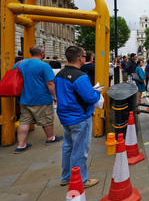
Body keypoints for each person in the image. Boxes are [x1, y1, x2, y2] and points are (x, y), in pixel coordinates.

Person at [54, 46, 103, 188]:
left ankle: (66, 177)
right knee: (80, 150)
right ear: (80, 58)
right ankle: (81, 180)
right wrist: (97, 91)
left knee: (68, 147)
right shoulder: (80, 76)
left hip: (65, 116)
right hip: (80, 117)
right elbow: (90, 98)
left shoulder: (60, 74)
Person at [13, 46, 63, 154]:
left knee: (24, 121)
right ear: (41, 53)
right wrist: (55, 95)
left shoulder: (19, 64)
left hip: (24, 98)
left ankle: (21, 144)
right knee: (46, 119)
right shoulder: (44, 66)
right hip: (41, 98)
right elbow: (50, 83)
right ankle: (50, 137)